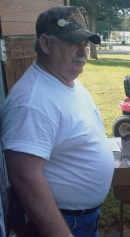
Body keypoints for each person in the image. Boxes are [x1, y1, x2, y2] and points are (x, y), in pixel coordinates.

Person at [1, 6, 114, 237]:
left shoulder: (66, 81)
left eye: (85, 43)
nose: (83, 51)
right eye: (74, 43)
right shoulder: (31, 101)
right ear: (45, 44)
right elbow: (24, 177)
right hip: (61, 224)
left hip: (80, 219)